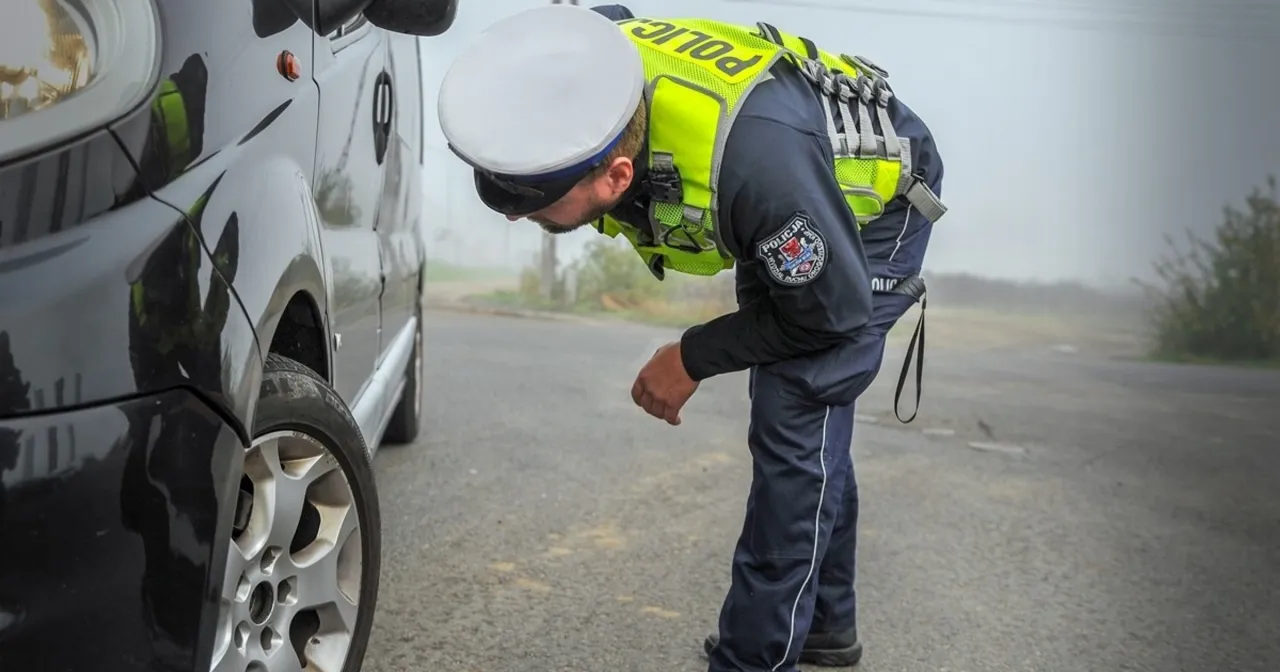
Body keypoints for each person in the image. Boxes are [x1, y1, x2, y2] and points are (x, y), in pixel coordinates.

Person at [437, 4, 947, 671]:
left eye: (537, 208)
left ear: (615, 178)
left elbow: (831, 313)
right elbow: (596, 21)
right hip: (795, 181)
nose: (520, 219)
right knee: (808, 424)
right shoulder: (600, 71)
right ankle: (826, 623)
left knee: (795, 411)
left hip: (875, 207)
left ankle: (752, 660)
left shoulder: (756, 172)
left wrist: (692, 355)